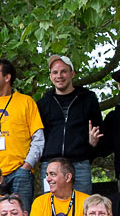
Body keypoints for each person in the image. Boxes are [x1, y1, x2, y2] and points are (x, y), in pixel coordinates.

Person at [0, 59, 44, 209]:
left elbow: (38, 137)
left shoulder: (26, 102)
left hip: (20, 172)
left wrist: (27, 165)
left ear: (7, 77)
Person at [37, 52, 104, 193]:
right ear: (50, 77)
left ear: (72, 74)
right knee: (51, 209)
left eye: (63, 72)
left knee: (83, 208)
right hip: (50, 165)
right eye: (55, 72)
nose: (59, 76)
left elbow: (99, 132)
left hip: (79, 164)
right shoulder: (43, 103)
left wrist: (92, 146)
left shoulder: (88, 99)